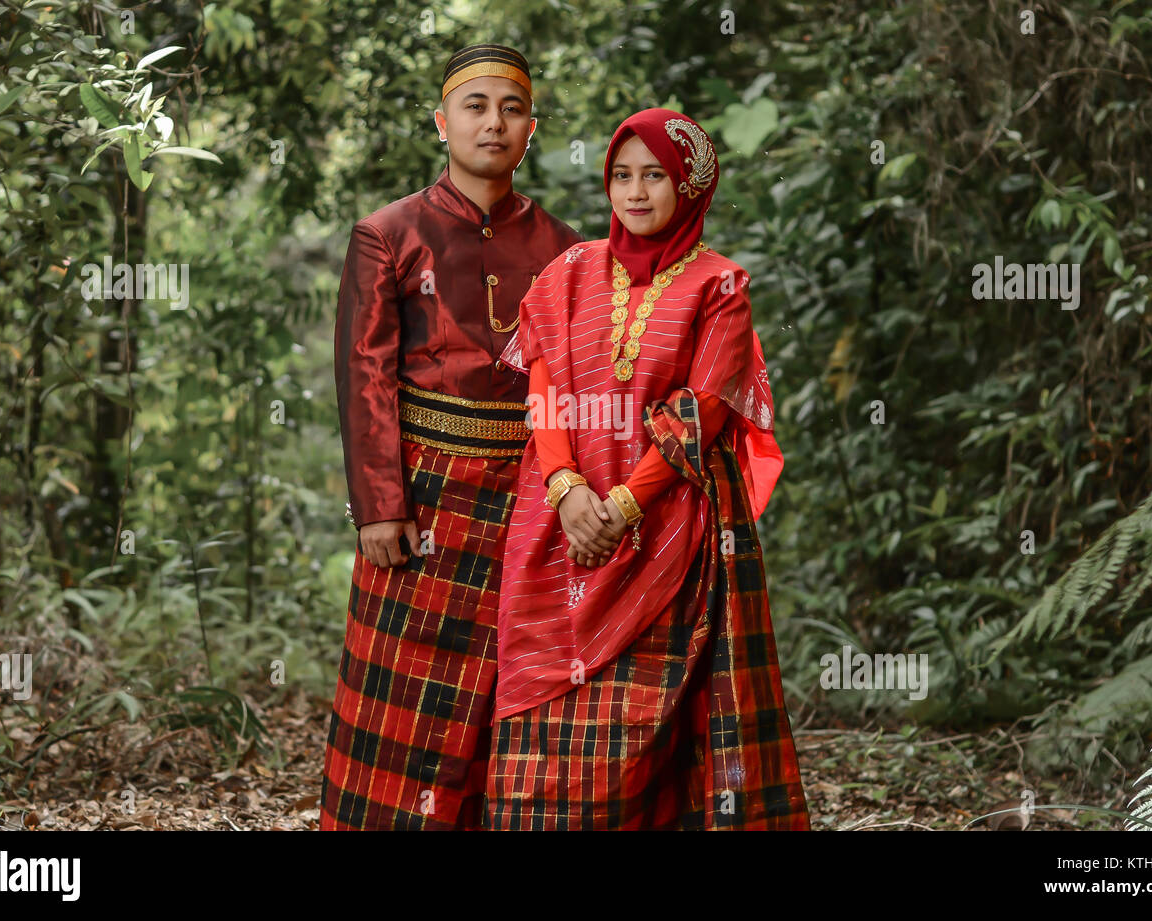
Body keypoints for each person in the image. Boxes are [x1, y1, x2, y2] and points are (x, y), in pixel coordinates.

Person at [485, 108, 811, 830]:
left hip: (671, 536)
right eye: (622, 175)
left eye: (655, 175)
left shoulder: (720, 287)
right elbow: (542, 389)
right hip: (555, 528)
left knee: (640, 734)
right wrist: (568, 490)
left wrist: (624, 509)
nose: (635, 191)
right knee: (538, 713)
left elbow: (702, 411)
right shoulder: (567, 273)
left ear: (690, 185)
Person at [320, 43, 583, 830]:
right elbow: (363, 373)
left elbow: (575, 382)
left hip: (532, 494)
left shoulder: (566, 247)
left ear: (530, 129)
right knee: (403, 698)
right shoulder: (387, 234)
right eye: (475, 107)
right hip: (424, 494)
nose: (492, 123)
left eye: (510, 109)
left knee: (512, 689)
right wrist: (377, 505)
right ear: (443, 123)